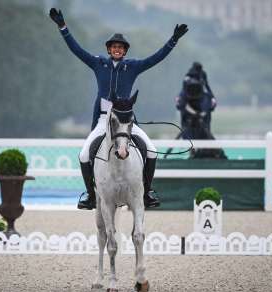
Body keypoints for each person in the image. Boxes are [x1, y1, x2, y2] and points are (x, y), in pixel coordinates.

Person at [49, 8, 188, 210]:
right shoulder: (98, 63)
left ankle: (147, 191)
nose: (117, 49)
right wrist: (63, 27)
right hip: (103, 120)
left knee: (153, 152)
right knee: (83, 155)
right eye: (114, 46)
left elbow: (155, 58)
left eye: (120, 47)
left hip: (126, 120)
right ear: (109, 49)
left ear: (125, 51)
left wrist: (173, 40)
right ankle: (90, 195)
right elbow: (77, 50)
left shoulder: (132, 66)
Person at [176, 62, 216, 138]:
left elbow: (206, 87)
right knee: (187, 129)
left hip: (200, 106)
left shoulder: (202, 75)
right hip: (188, 105)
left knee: (204, 127)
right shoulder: (188, 76)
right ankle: (188, 141)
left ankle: (203, 141)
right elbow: (184, 91)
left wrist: (212, 98)